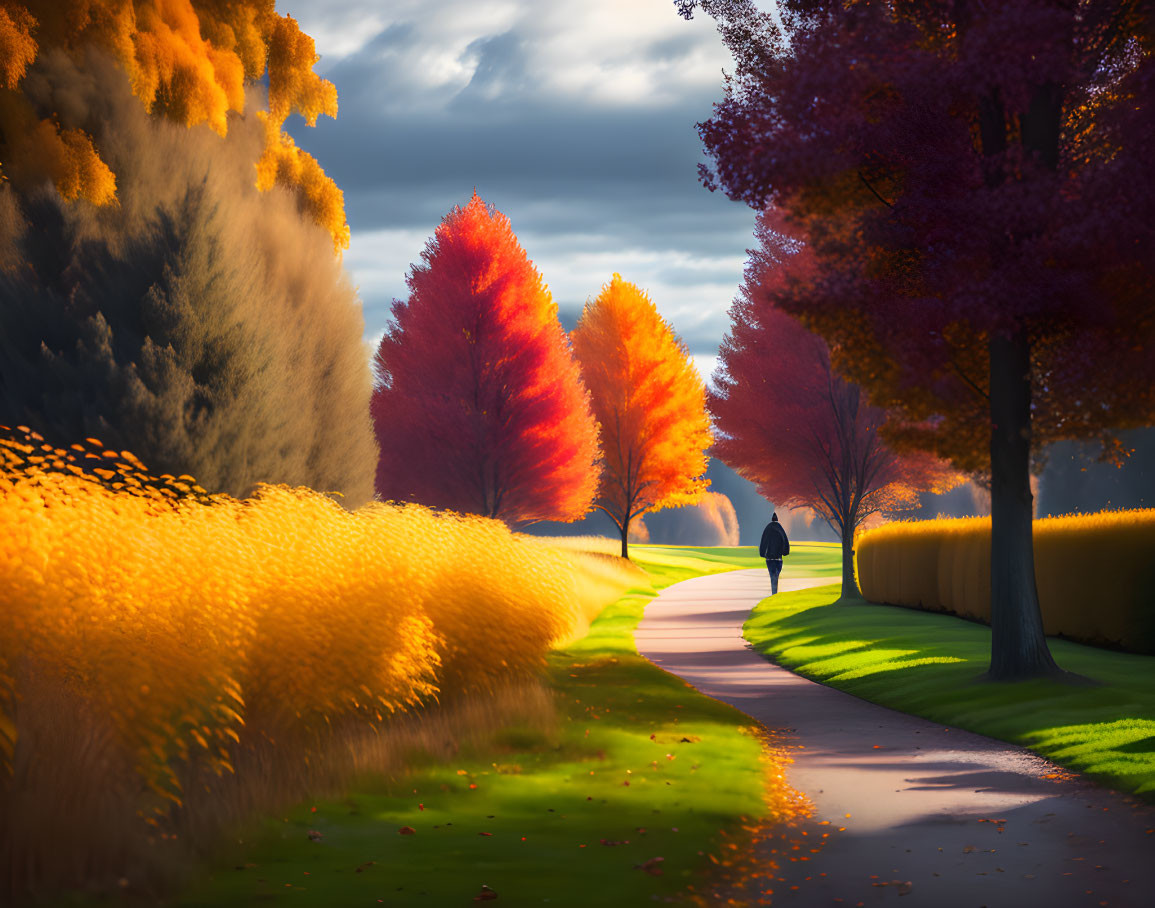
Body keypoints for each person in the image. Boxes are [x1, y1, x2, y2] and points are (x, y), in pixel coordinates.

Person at [759, 512, 790, 594]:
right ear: (777, 519)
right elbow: (785, 541)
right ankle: (774, 591)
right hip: (778, 558)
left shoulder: (768, 528)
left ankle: (774, 592)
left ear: (772, 519)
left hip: (769, 558)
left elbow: (763, 541)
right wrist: (785, 552)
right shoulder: (780, 529)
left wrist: (762, 553)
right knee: (776, 575)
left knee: (772, 575)